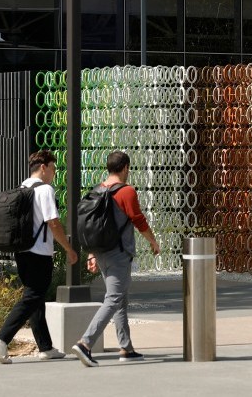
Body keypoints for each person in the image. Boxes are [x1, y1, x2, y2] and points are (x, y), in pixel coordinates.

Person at [0, 150, 78, 364]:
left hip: (22, 251)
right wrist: (68, 248)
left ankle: (45, 347)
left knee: (35, 298)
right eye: (54, 168)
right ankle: (2, 338)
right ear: (44, 167)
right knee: (32, 298)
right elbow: (53, 223)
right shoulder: (44, 190)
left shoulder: (23, 187)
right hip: (39, 252)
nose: (55, 173)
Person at [71, 150, 160, 367]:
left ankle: (126, 347)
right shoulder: (126, 191)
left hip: (100, 251)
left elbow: (93, 227)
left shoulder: (98, 190)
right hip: (118, 253)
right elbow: (138, 220)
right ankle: (85, 343)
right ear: (125, 168)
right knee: (114, 298)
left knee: (120, 299)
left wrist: (91, 253)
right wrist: (153, 241)